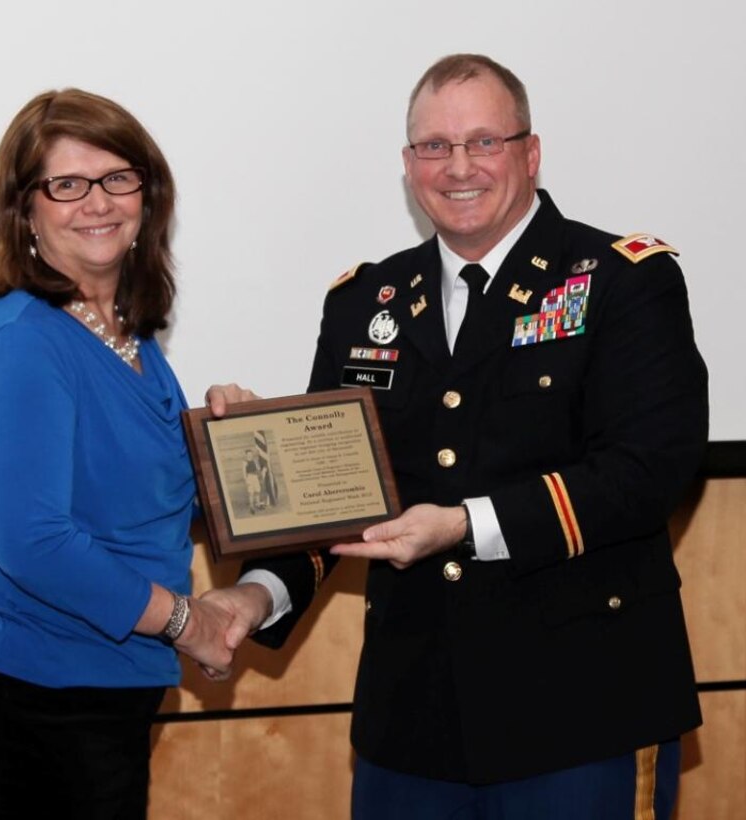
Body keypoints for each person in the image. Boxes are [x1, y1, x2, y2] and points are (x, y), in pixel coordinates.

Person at [207, 54, 708, 819]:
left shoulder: (619, 279)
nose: (459, 167)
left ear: (530, 153)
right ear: (409, 166)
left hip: (582, 711)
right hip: (412, 720)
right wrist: (255, 589)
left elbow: (648, 474)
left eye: (484, 142)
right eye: (434, 147)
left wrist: (462, 526)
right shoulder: (363, 301)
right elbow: (333, 493)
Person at [0, 88, 252, 820]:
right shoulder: (20, 342)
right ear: (24, 209)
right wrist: (186, 623)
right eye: (66, 184)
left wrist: (229, 444)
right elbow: (34, 544)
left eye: (118, 177)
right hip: (19, 707)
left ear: (147, 195)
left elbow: (142, 502)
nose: (98, 202)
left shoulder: (130, 336)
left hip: (100, 695)